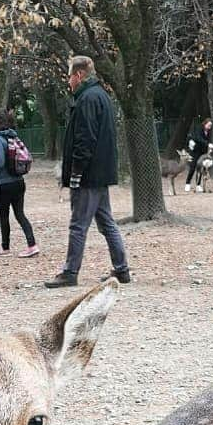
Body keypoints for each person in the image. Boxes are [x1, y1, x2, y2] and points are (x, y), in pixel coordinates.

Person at [46, 55, 130, 289]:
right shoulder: (101, 96)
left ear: (79, 75)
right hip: (100, 173)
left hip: (89, 175)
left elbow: (85, 139)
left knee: (78, 224)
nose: (68, 81)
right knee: (106, 222)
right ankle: (122, 269)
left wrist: (76, 172)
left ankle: (70, 272)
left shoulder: (87, 99)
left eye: (70, 75)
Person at [0, 109, 39, 259]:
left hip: (4, 184)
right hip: (19, 181)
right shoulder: (13, 136)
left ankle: (5, 247)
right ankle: (32, 245)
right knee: (20, 214)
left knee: (4, 215)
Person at [185, 118, 213, 193]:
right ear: (205, 124)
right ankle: (187, 183)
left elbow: (209, 140)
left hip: (203, 151)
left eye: (211, 125)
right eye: (209, 125)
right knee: (193, 166)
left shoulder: (209, 131)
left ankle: (198, 185)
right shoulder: (199, 129)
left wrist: (209, 147)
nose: (209, 127)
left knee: (201, 168)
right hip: (195, 150)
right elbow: (198, 139)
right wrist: (208, 144)